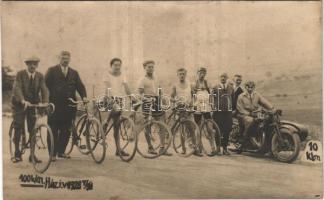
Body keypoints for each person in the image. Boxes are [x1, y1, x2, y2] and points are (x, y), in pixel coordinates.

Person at [45, 51, 87, 161]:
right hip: (55, 106)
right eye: (63, 58)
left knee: (66, 130)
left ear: (70, 59)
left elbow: (80, 86)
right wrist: (46, 102)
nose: (65, 60)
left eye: (67, 58)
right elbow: (45, 87)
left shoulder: (74, 73)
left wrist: (84, 97)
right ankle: (52, 154)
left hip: (69, 106)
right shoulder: (52, 71)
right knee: (53, 129)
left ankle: (61, 151)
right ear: (58, 58)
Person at [11, 56, 49, 163]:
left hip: (32, 104)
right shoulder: (20, 74)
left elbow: (44, 89)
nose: (33, 66)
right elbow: (17, 88)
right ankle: (17, 154)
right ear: (27, 65)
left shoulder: (40, 76)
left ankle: (32, 155)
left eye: (35, 64)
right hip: (19, 104)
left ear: (37, 65)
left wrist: (45, 102)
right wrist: (23, 101)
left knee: (33, 129)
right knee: (18, 126)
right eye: (30, 64)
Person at [138, 60, 172, 156]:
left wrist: (163, 99)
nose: (151, 69)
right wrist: (145, 99)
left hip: (156, 101)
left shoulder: (156, 78)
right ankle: (150, 147)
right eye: (149, 67)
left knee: (162, 124)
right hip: (147, 102)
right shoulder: (142, 80)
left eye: (152, 67)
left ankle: (162, 148)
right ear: (144, 67)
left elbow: (159, 90)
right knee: (147, 125)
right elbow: (140, 93)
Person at [100, 58, 131, 156]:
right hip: (108, 98)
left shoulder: (123, 75)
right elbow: (107, 87)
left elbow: (126, 87)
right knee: (115, 108)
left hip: (119, 99)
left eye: (119, 65)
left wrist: (132, 97)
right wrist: (109, 98)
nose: (117, 67)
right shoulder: (107, 74)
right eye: (115, 65)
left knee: (117, 127)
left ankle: (118, 150)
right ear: (111, 65)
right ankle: (106, 122)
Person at [170, 68, 203, 157]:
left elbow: (194, 96)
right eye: (180, 74)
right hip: (179, 109)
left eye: (183, 74)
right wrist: (177, 101)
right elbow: (171, 97)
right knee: (182, 130)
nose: (182, 75)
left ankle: (194, 149)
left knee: (192, 129)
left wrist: (192, 103)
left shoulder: (190, 85)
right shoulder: (175, 85)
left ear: (186, 74)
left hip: (188, 109)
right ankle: (183, 149)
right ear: (177, 75)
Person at [236, 81, 274, 151]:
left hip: (255, 113)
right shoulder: (241, 96)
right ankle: (243, 141)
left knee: (263, 121)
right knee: (250, 121)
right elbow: (239, 108)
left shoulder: (257, 95)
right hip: (243, 115)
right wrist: (248, 113)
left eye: (252, 87)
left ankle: (261, 141)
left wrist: (271, 108)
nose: (250, 89)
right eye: (248, 87)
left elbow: (264, 102)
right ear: (245, 87)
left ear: (254, 87)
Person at [191, 67, 218, 156]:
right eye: (200, 73)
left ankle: (213, 148)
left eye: (203, 73)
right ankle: (197, 148)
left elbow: (211, 95)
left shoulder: (207, 83)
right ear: (197, 73)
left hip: (206, 106)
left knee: (209, 127)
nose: (202, 75)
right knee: (197, 127)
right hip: (197, 106)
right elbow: (192, 95)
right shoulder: (194, 83)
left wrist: (212, 104)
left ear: (205, 74)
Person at [212, 73, 233, 155]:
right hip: (218, 112)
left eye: (224, 77)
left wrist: (232, 109)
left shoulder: (231, 88)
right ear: (219, 78)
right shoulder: (215, 87)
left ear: (227, 78)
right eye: (221, 77)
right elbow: (212, 98)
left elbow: (232, 99)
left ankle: (225, 148)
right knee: (218, 130)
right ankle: (217, 148)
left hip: (228, 112)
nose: (223, 78)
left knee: (227, 130)